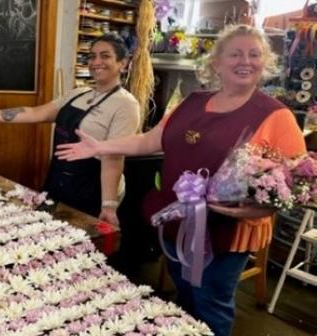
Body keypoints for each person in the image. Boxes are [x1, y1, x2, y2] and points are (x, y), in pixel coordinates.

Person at [55, 25, 306, 336]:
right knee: (185, 297)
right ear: (216, 62)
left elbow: (294, 185)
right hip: (177, 223)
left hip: (227, 234)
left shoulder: (276, 116)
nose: (246, 61)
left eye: (255, 54)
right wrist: (100, 146)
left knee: (210, 305)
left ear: (265, 62)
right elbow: (149, 141)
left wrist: (256, 210)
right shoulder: (192, 102)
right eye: (236, 53)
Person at [0, 33, 140, 226]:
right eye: (92, 56)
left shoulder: (125, 104)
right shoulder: (77, 94)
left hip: (93, 188)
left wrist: (108, 206)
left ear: (123, 63)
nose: (96, 61)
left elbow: (113, 157)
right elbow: (35, 113)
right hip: (58, 179)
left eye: (105, 56)